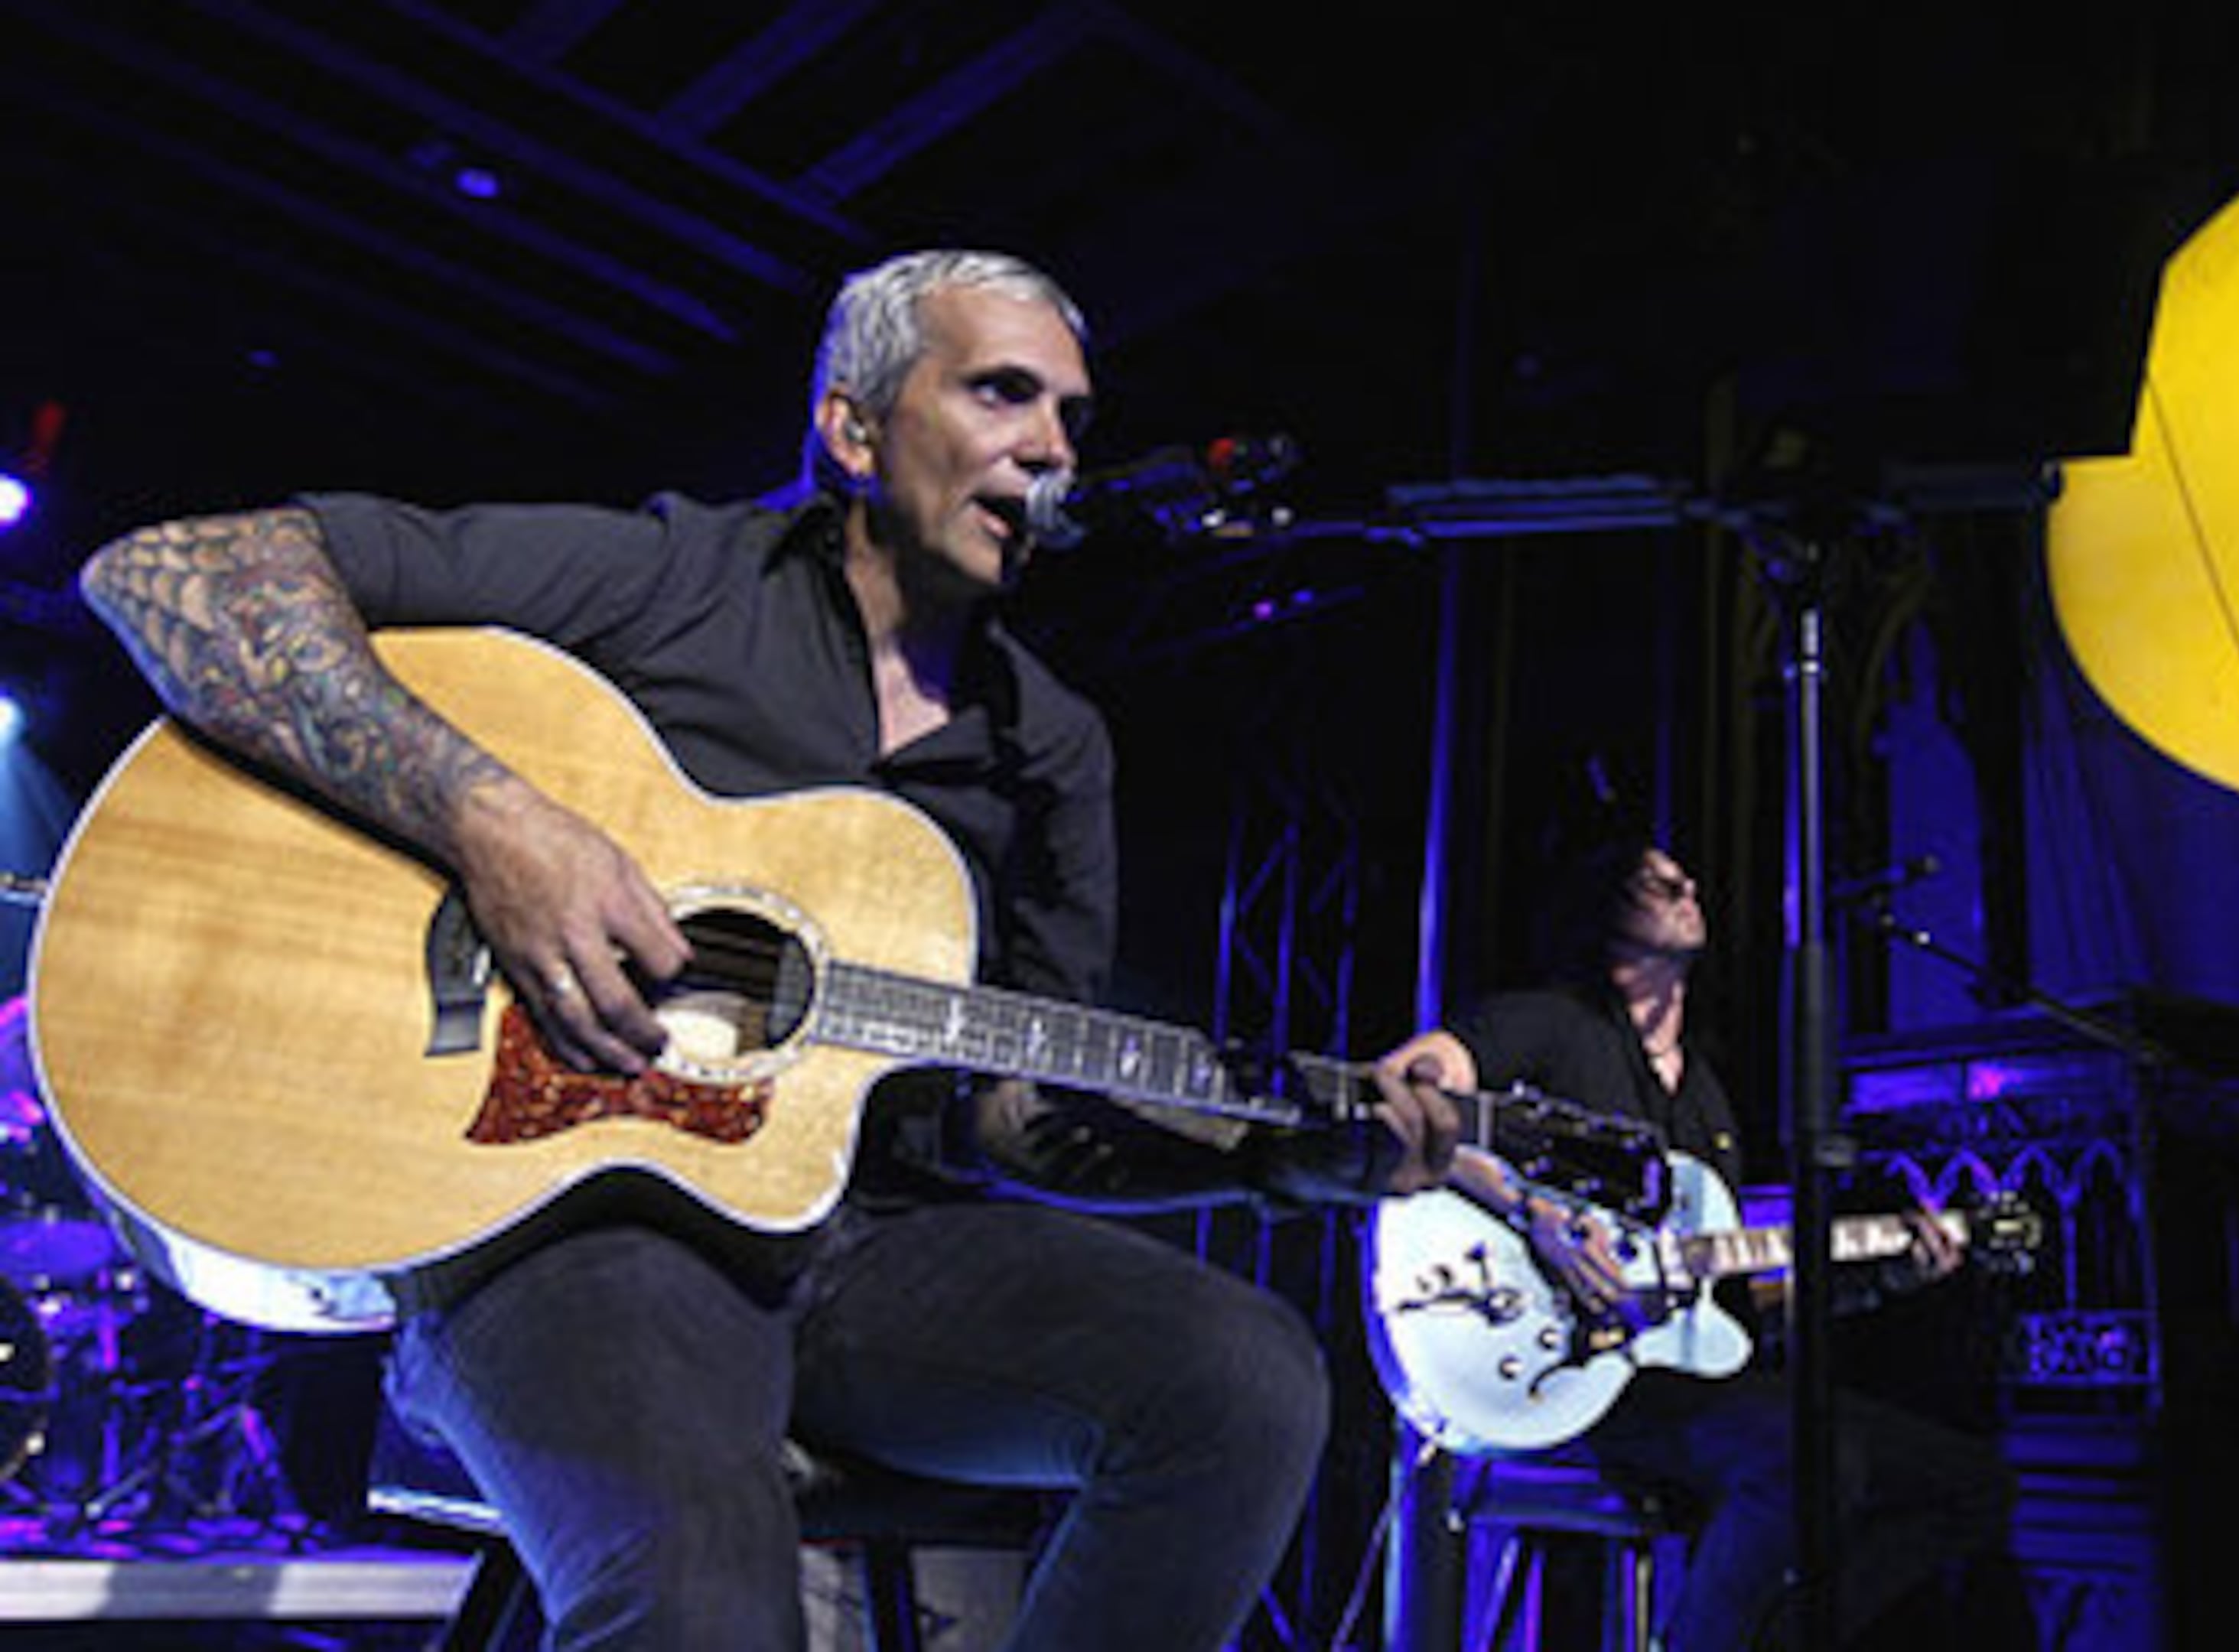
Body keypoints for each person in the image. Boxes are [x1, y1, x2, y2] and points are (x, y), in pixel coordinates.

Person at [76, 249, 1458, 1650]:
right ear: (854, 432)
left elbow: (1014, 1114)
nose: (1053, 447)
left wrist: (1281, 1158)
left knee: (1245, 1381)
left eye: (1073, 417)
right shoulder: (675, 578)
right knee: (706, 1606)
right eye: (1003, 394)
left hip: (865, 1256)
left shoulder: (1052, 752)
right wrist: (499, 828)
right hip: (571, 1229)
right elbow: (176, 572)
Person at [1372, 837, 2023, 1651]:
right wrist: (1538, 1214)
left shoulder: (1707, 1098)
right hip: (1560, 1378)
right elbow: (1395, 1097)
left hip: (1673, 1377)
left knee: (1974, 1484)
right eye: (1654, 880)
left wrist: (1882, 1277)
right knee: (1818, 1459)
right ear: (1600, 909)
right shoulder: (1547, 1024)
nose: (1686, 885)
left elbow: (1735, 1308)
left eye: (1685, 877)